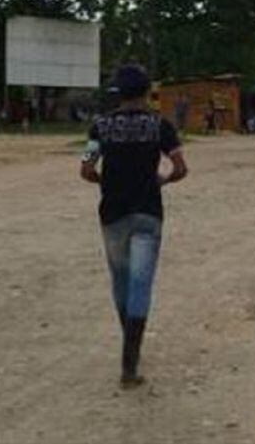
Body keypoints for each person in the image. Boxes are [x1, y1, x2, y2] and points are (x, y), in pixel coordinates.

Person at [80, 64, 188, 389]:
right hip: (148, 213)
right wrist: (162, 180)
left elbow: (86, 169)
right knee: (141, 284)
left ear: (118, 92)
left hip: (112, 213)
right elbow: (181, 168)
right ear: (146, 92)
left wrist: (106, 182)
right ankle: (130, 361)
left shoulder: (100, 126)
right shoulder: (160, 125)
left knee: (121, 281)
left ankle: (129, 342)